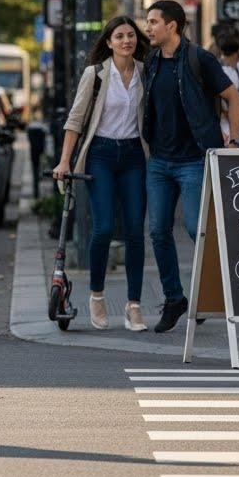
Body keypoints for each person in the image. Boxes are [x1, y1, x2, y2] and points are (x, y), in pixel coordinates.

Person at [142, 0, 239, 333]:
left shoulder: (200, 59)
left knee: (196, 230)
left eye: (154, 21)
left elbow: (233, 97)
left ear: (172, 26)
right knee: (158, 231)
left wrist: (234, 140)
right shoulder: (151, 61)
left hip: (194, 159)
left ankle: (205, 295)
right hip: (159, 161)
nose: (148, 27)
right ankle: (175, 298)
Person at [52, 16, 149, 331]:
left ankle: (133, 305)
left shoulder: (145, 72)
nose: (126, 41)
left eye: (130, 36)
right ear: (109, 42)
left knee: (135, 229)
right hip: (101, 155)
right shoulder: (95, 75)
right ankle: (96, 295)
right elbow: (75, 119)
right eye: (119, 36)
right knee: (104, 226)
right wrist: (64, 162)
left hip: (135, 154)